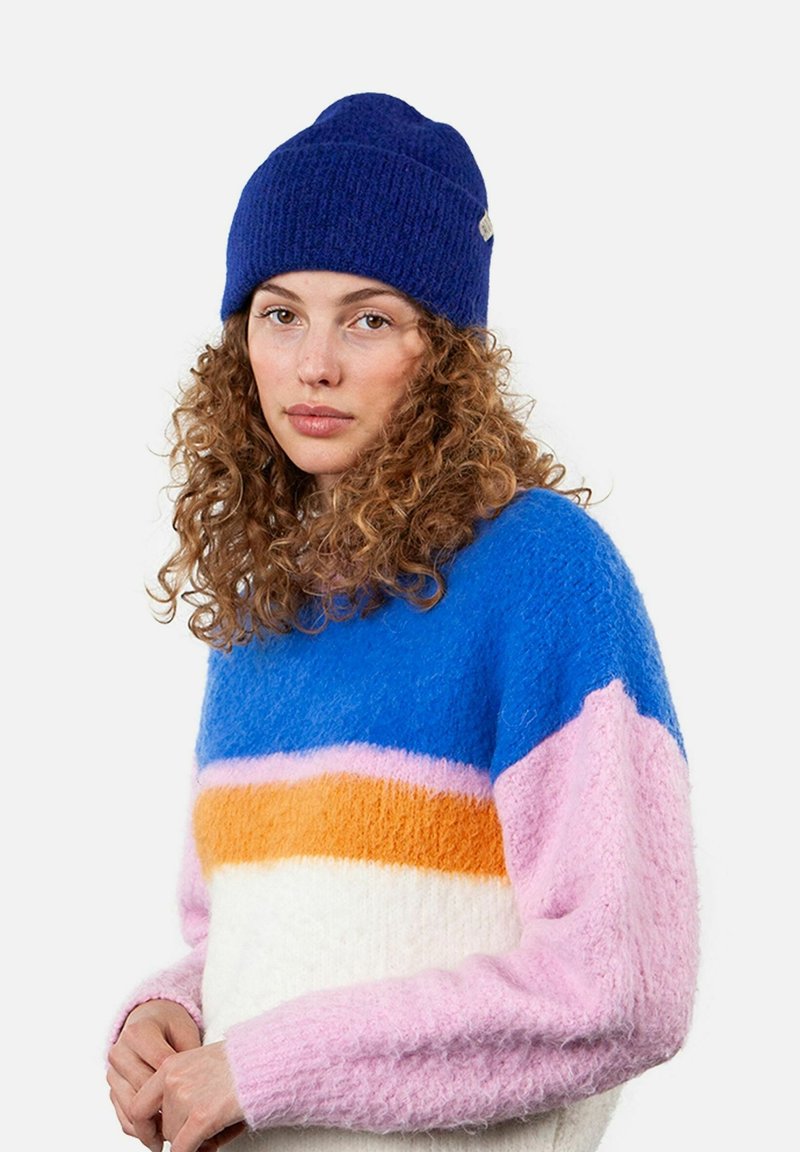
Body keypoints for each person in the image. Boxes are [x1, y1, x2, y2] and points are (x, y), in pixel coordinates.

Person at [106, 92, 699, 1152]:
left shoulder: (542, 569)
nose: (315, 363)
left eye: (368, 317)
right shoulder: (260, 608)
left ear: (445, 351)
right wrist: (172, 1013)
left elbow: (622, 985)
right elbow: (252, 943)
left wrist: (265, 1068)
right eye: (280, 313)